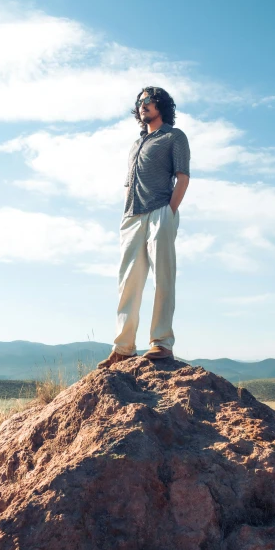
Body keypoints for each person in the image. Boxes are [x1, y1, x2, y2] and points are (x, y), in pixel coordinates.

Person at [98, 86, 190, 368]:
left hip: (160, 211)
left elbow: (183, 178)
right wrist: (126, 216)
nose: (143, 105)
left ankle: (161, 343)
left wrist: (169, 212)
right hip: (132, 217)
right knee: (128, 282)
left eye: (149, 100)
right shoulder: (135, 145)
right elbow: (128, 184)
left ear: (161, 105)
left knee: (163, 277)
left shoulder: (174, 137)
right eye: (139, 102)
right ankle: (123, 347)